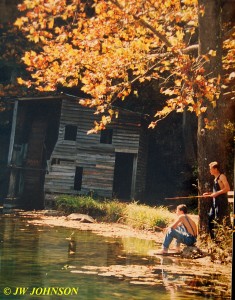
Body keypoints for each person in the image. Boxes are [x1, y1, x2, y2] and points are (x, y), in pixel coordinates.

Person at [203, 161, 230, 239]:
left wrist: (216, 193)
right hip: (215, 203)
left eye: (211, 169)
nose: (210, 171)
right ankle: (213, 239)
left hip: (221, 202)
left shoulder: (222, 176)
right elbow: (216, 192)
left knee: (218, 220)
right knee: (210, 218)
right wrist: (208, 194)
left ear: (216, 169)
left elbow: (227, 188)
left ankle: (220, 239)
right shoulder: (215, 179)